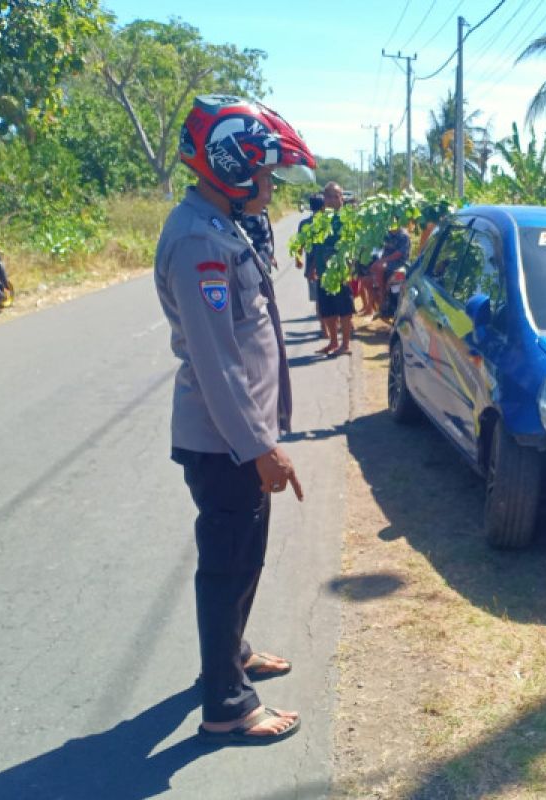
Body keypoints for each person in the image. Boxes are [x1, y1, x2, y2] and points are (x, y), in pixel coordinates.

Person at [154, 94, 316, 746]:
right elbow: (218, 362)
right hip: (225, 443)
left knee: (245, 558)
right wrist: (259, 447)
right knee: (226, 565)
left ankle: (233, 653)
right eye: (266, 174)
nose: (272, 186)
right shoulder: (198, 242)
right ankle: (227, 703)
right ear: (233, 165)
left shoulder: (224, 226)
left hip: (241, 438)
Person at [309, 181, 354, 356]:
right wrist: (312, 267)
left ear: (342, 198)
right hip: (322, 272)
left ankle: (346, 344)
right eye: (329, 196)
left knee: (344, 308)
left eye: (337, 196)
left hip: (340, 271)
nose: (333, 200)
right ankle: (333, 342)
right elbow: (316, 246)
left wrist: (349, 267)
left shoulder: (347, 219)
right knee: (327, 310)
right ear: (324, 198)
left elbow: (352, 245)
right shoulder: (319, 219)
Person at [294, 194, 328, 338]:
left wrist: (298, 258)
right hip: (328, 265)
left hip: (311, 267)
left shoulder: (304, 224)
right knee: (329, 297)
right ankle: (331, 326)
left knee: (319, 299)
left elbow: (299, 244)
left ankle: (324, 328)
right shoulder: (327, 222)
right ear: (323, 206)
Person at [368, 224, 411, 318]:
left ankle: (382, 296)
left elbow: (399, 254)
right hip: (387, 262)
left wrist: (382, 261)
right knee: (371, 273)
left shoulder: (403, 236)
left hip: (400, 263)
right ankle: (377, 299)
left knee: (379, 268)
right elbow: (378, 248)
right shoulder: (386, 234)